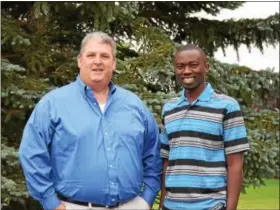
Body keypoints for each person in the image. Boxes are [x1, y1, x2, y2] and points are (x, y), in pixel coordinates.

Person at [19, 31, 162, 210]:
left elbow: (153, 154)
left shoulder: (135, 105)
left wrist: (147, 198)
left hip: (131, 205)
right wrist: (51, 203)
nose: (98, 61)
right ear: (80, 61)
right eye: (91, 55)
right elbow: (32, 153)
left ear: (114, 63)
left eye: (105, 56)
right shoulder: (53, 104)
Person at [159, 44, 250, 210]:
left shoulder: (227, 106)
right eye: (180, 66)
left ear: (206, 67)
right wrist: (162, 204)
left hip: (210, 205)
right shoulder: (169, 109)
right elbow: (167, 163)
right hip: (171, 206)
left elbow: (235, 165)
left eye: (193, 65)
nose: (186, 71)